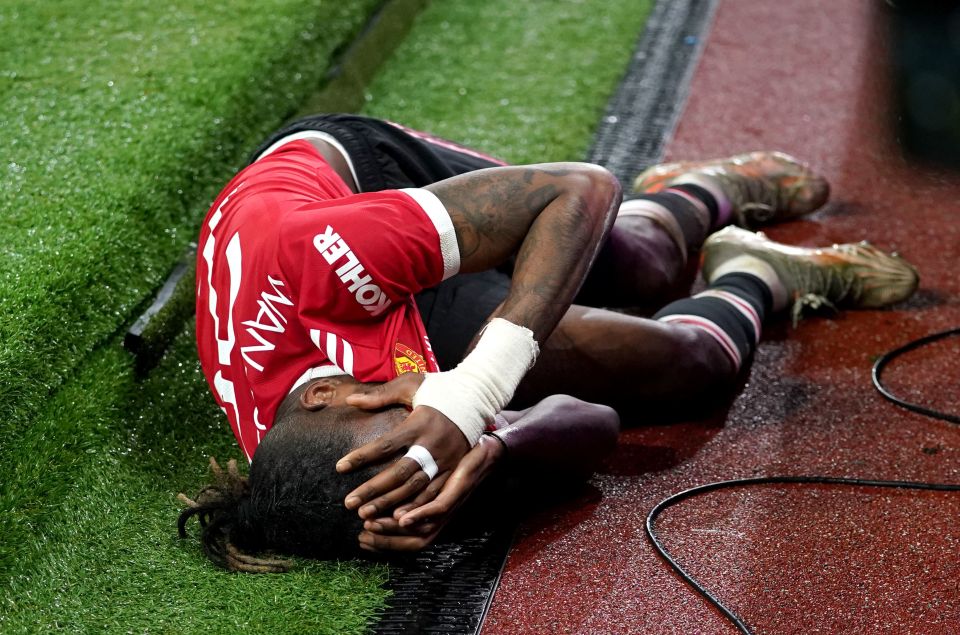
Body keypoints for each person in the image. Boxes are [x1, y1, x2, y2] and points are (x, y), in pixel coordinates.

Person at [179, 114, 918, 569]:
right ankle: (756, 269)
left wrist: (476, 389)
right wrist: (499, 448)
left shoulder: (311, 260)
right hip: (385, 313)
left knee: (637, 260)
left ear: (327, 391)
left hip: (360, 195)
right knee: (690, 369)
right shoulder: (356, 463)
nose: (432, 431)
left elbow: (581, 188)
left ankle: (701, 188)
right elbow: (593, 425)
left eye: (416, 418)